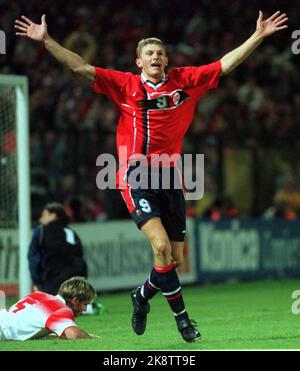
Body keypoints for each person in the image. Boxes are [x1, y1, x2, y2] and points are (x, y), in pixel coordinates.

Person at [15, 10, 288, 342]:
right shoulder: (125, 85)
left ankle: (141, 296)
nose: (155, 56)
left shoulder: (185, 80)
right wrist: (46, 41)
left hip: (170, 177)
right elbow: (79, 66)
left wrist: (257, 36)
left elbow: (225, 65)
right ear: (139, 62)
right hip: (136, 175)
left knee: (174, 259)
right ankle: (184, 321)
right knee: (160, 247)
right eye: (149, 53)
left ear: (166, 60)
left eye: (160, 53)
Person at [0, 276, 98, 340]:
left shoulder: (39, 294)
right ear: (75, 300)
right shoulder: (60, 309)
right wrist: (91, 337)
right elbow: (74, 335)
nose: (85, 309)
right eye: (85, 304)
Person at [28, 202, 88, 295]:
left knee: (52, 307)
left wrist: (36, 281)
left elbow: (33, 258)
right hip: (74, 278)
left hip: (52, 279)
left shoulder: (41, 231)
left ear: (53, 216)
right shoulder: (70, 232)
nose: (40, 219)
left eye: (44, 215)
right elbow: (79, 258)